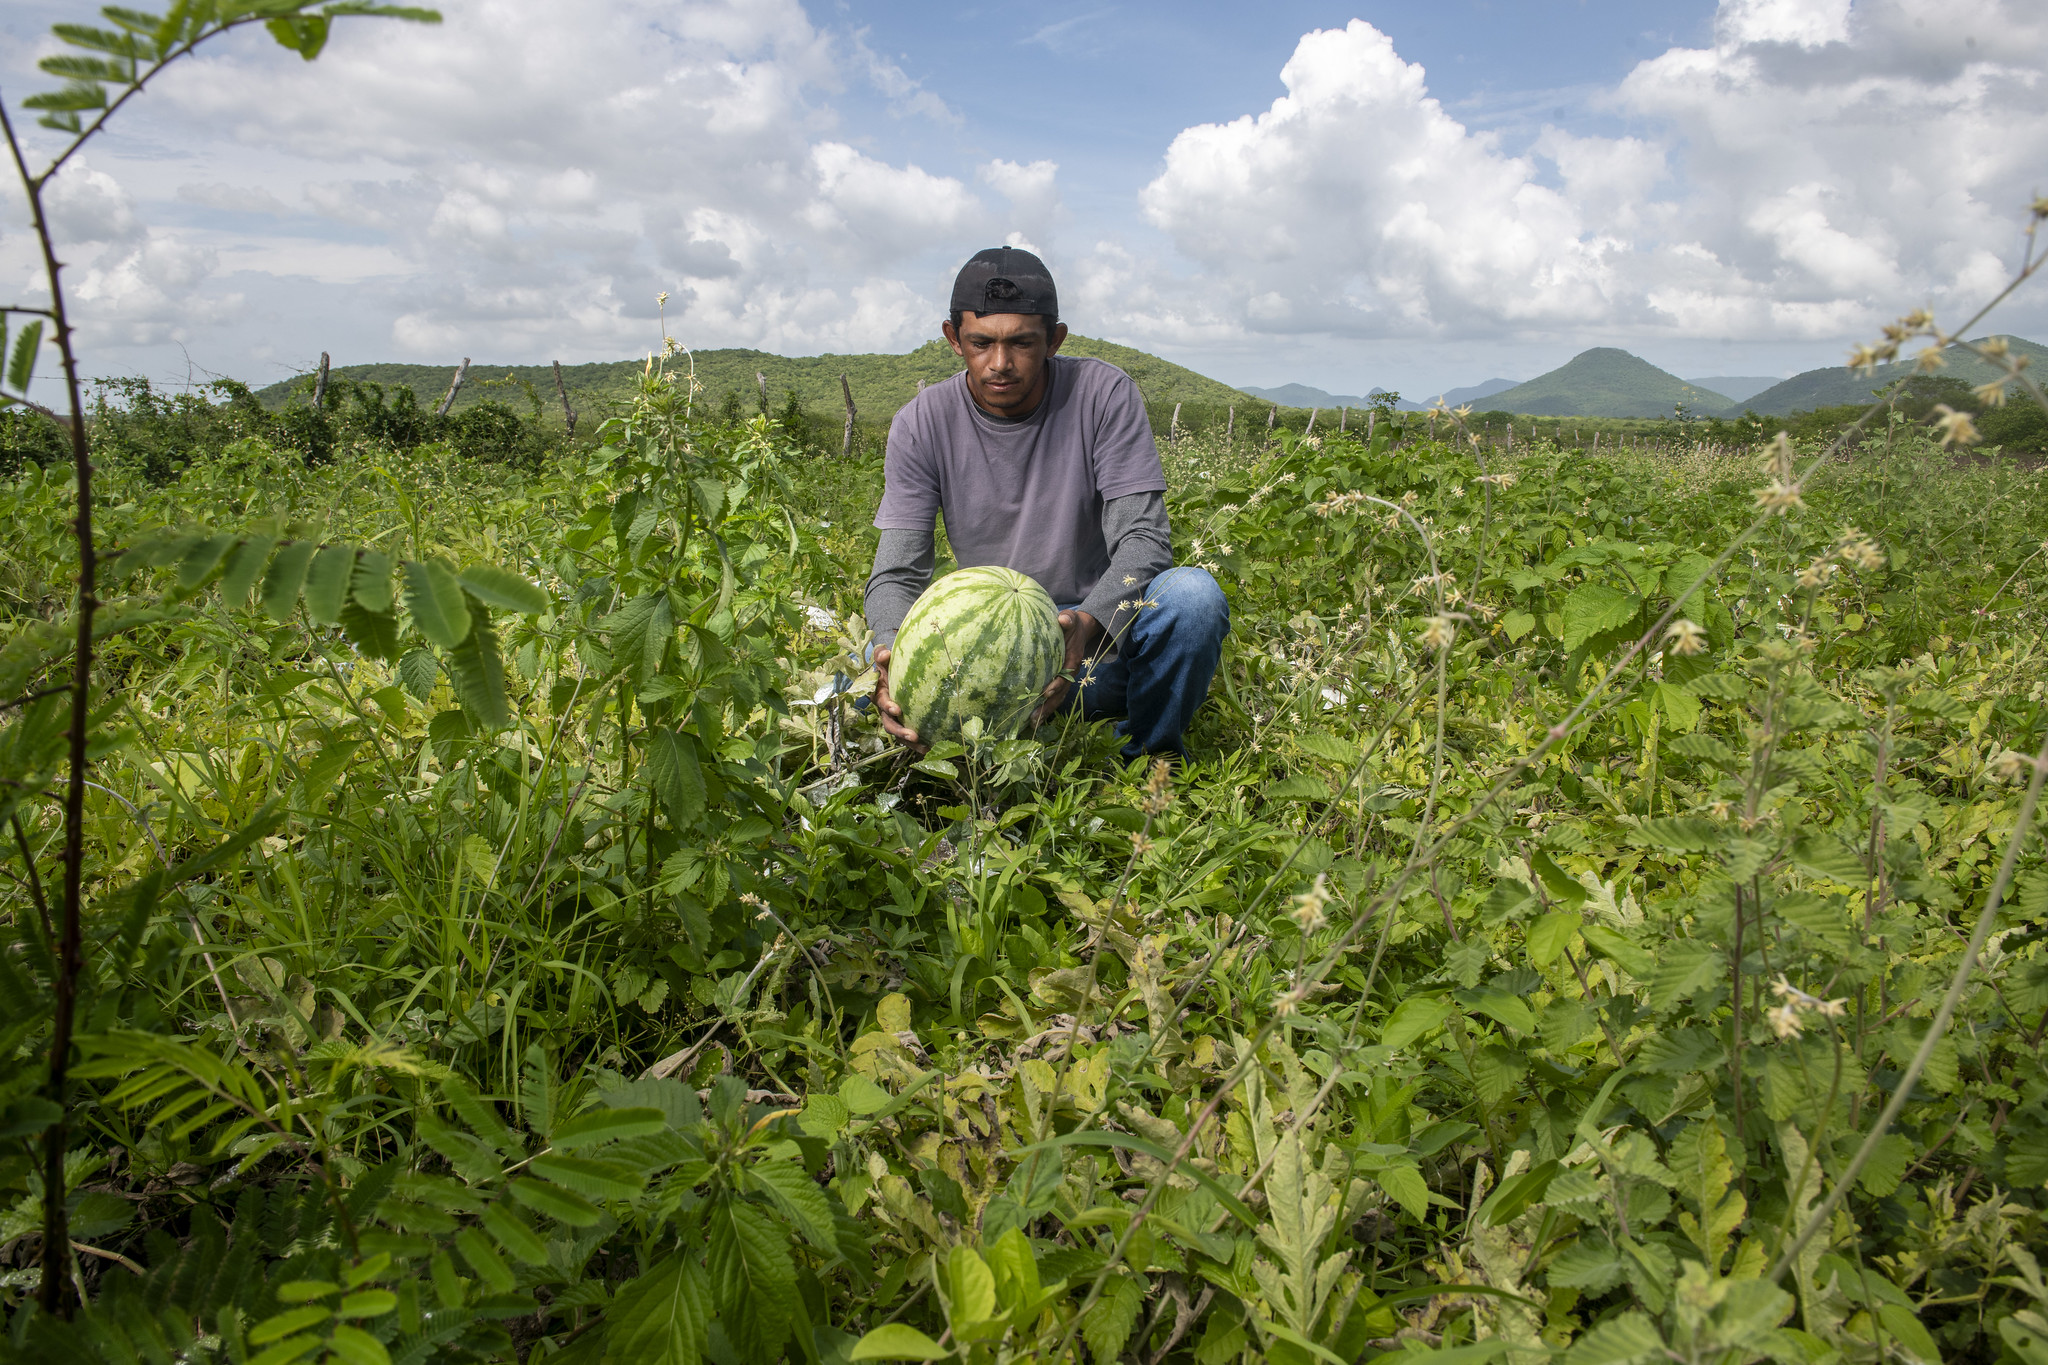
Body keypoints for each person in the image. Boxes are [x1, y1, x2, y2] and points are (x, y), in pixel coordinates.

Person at [865, 245, 1229, 759]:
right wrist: (891, 656)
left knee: (1192, 598)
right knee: (873, 659)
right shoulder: (921, 423)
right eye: (980, 342)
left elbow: (1143, 542)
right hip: (993, 662)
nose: (1000, 364)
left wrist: (1084, 625)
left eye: (1022, 343)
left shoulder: (1103, 394)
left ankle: (1149, 755)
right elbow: (895, 575)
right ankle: (991, 740)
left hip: (1094, 645)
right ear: (953, 339)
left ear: (1055, 340)